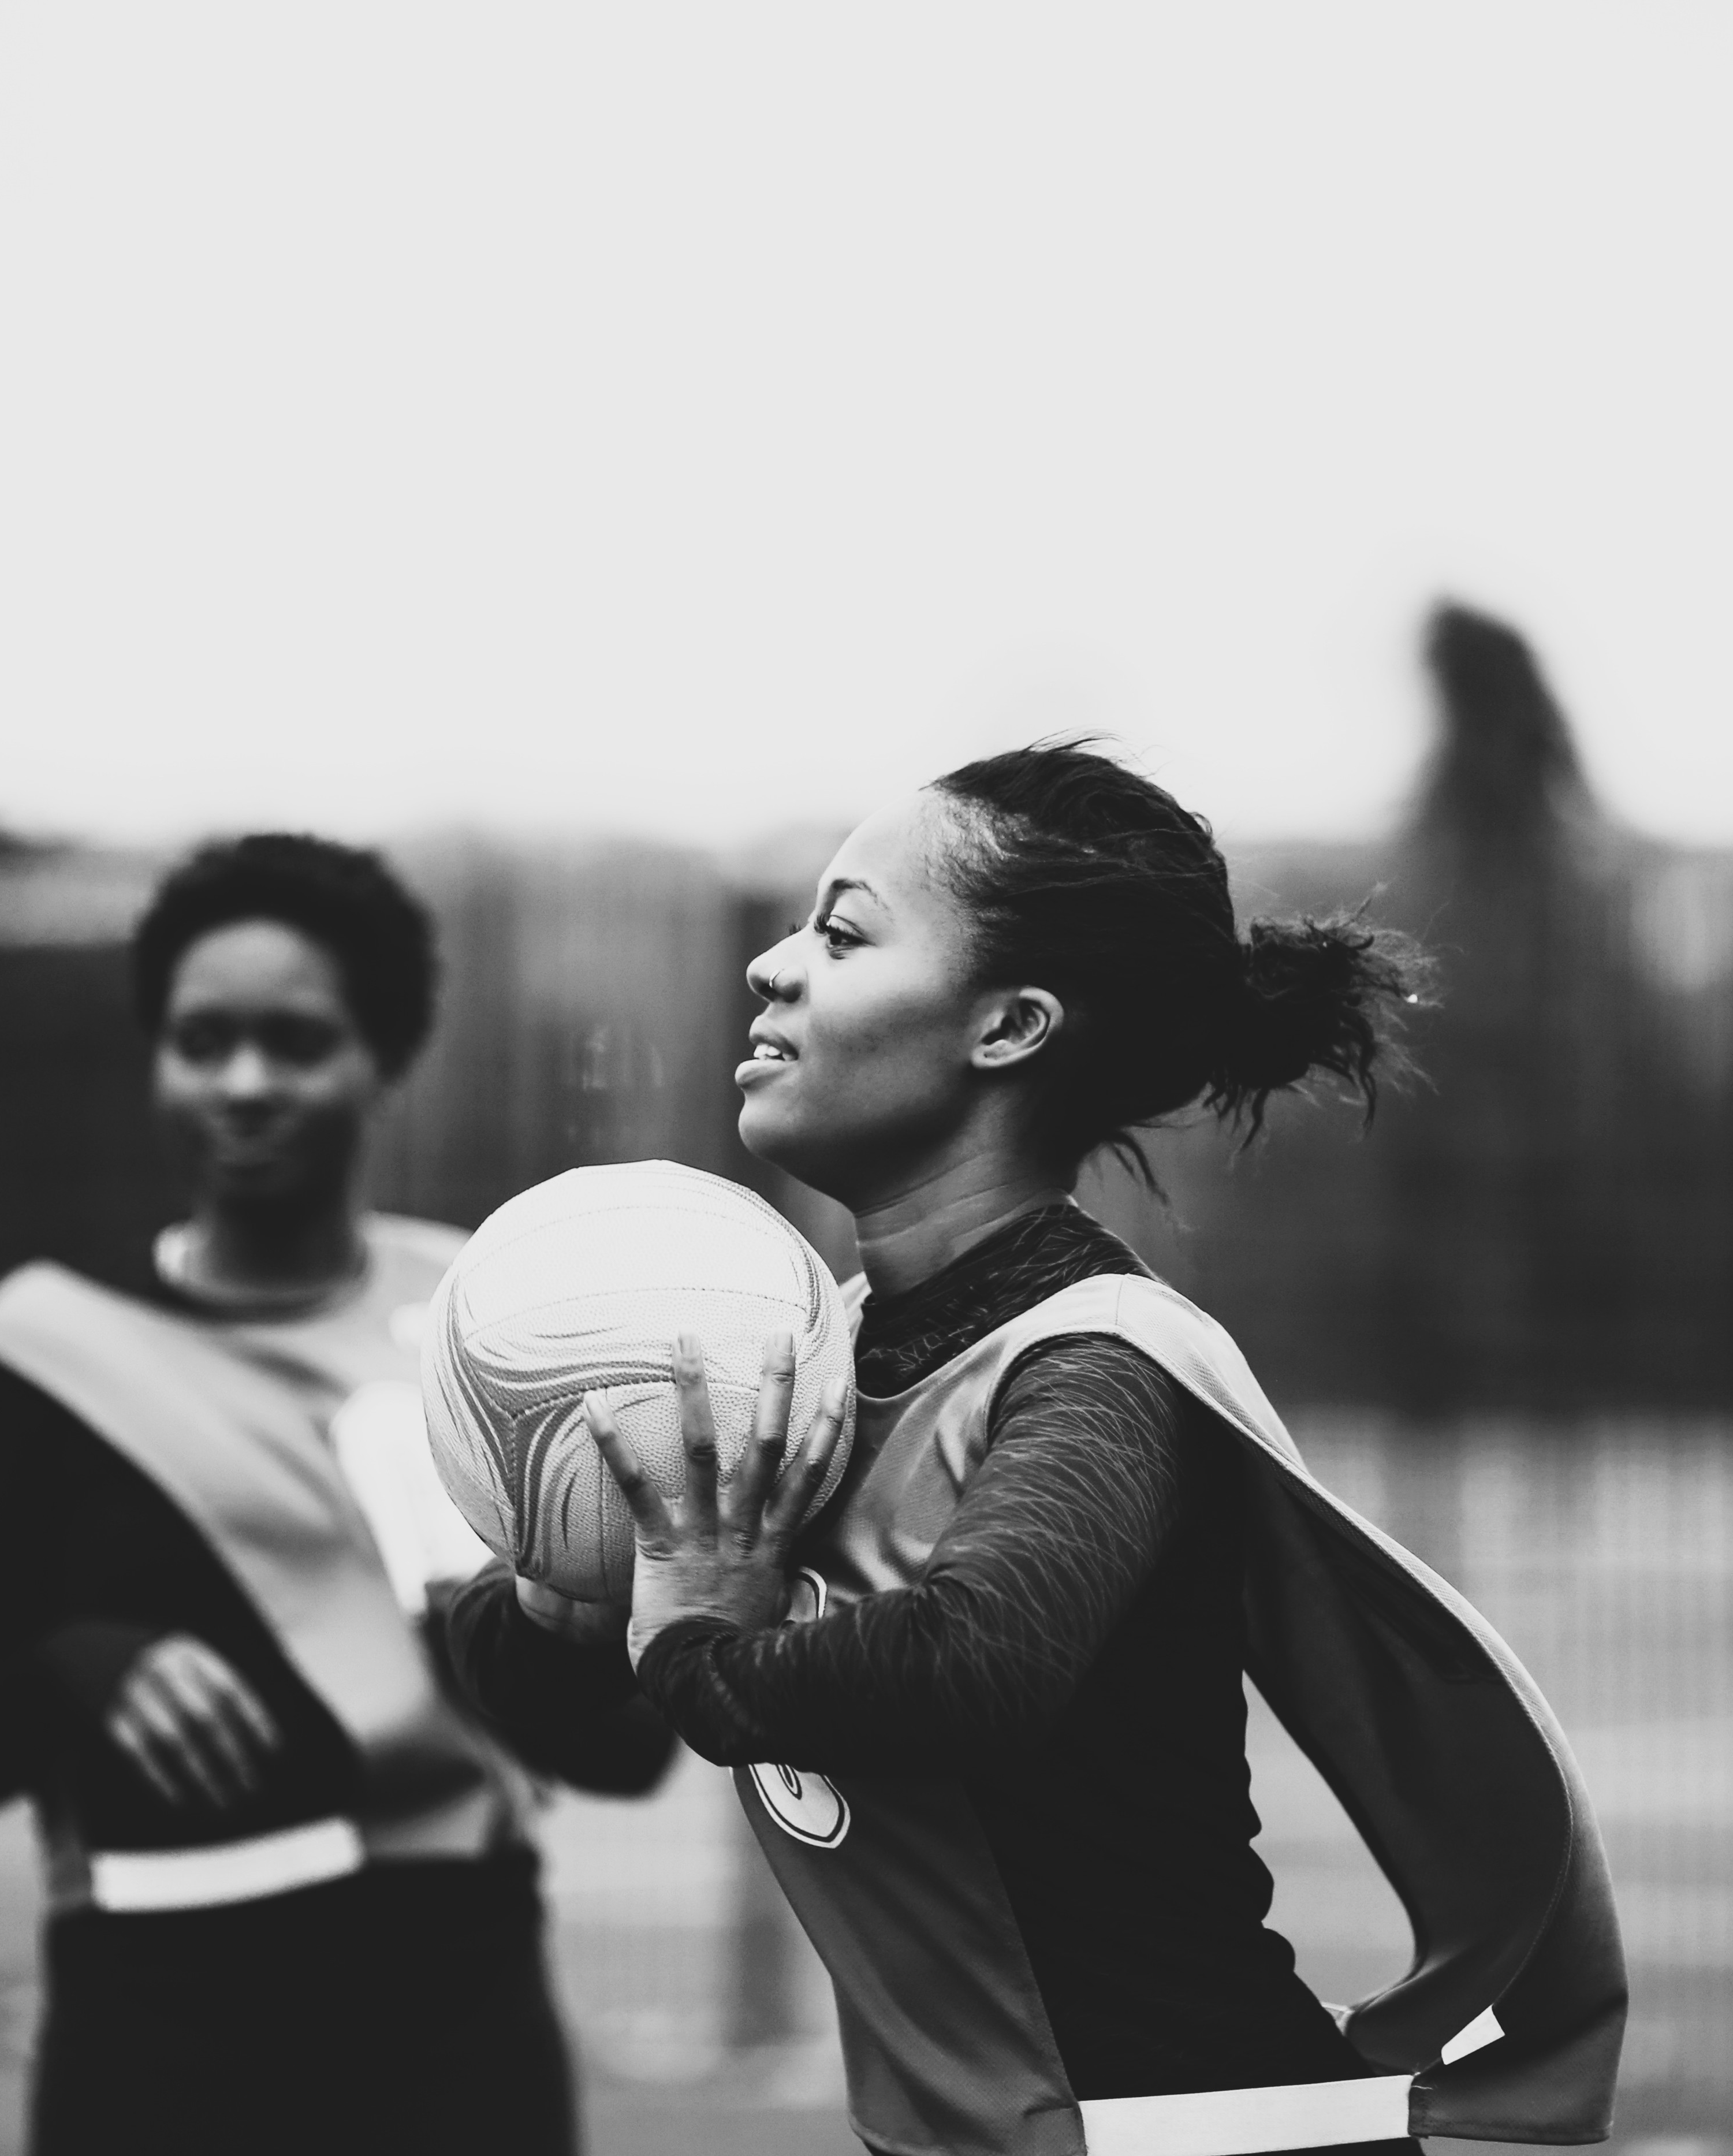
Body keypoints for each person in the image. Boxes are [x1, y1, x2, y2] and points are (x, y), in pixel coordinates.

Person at [448, 744, 1624, 2156]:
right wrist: (557, 1597)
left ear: (1007, 1026)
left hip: (1202, 2137)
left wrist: (694, 1637)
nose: (771, 965)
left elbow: (973, 1664)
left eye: (844, 929)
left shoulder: (1098, 1361)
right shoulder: (823, 1360)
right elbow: (556, 1700)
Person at [0, 834, 672, 2156]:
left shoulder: (483, 1331)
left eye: (295, 1041)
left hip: (457, 2016)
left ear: (383, 1056)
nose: (243, 1081)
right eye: (202, 1041)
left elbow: (621, 1750)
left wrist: (549, 1632)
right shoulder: (34, 1358)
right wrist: (87, 1664)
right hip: (154, 2027)